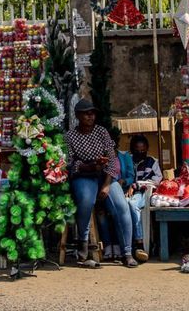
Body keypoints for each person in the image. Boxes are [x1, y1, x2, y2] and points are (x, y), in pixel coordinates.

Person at [66, 99, 138, 268]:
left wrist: (106, 184)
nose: (90, 116)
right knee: (86, 200)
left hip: (105, 175)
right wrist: (88, 165)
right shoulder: (70, 136)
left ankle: (127, 253)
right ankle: (83, 246)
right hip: (84, 175)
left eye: (93, 113)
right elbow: (69, 164)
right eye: (86, 113)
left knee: (121, 205)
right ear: (78, 116)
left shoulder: (102, 132)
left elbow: (112, 161)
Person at [96, 139, 134, 262]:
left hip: (114, 184)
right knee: (101, 214)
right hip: (93, 181)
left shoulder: (123, 156)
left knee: (121, 208)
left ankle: (126, 251)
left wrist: (124, 183)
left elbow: (129, 176)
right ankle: (107, 245)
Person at [126, 134, 162, 262]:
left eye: (143, 150)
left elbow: (157, 180)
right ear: (132, 149)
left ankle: (139, 243)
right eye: (137, 150)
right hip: (126, 192)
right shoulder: (127, 160)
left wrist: (136, 185)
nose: (140, 152)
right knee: (123, 205)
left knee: (132, 204)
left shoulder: (152, 162)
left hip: (142, 193)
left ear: (147, 149)